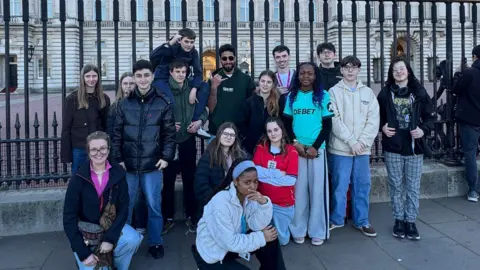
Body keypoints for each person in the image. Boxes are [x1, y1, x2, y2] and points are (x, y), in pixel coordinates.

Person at [111, 59, 176, 259]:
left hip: (152, 164)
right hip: (129, 164)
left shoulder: (163, 102)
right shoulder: (124, 103)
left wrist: (166, 157)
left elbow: (169, 133)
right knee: (126, 206)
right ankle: (125, 241)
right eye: (138, 76)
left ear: (152, 77)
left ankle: (155, 242)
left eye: (146, 75)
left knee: (154, 205)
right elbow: (116, 135)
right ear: (134, 77)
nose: (142, 79)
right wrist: (118, 157)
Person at [63, 131, 143, 270]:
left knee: (133, 239)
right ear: (88, 152)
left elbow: (123, 209)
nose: (98, 153)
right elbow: (69, 217)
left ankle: (117, 266)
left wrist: (110, 239)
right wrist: (83, 253)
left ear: (108, 149)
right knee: (93, 265)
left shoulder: (118, 174)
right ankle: (88, 260)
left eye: (103, 148)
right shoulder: (78, 178)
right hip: (87, 233)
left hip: (109, 225)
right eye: (94, 149)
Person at [192, 158, 286, 270]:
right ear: (236, 182)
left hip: (232, 244)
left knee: (271, 238)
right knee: (264, 237)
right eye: (247, 182)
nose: (252, 186)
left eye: (255, 181)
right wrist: (261, 237)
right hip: (214, 253)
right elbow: (230, 242)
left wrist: (263, 204)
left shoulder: (249, 196)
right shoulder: (220, 203)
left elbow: (256, 225)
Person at [378, 57, 434, 240]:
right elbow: (375, 115)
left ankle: (411, 220)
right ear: (391, 74)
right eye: (395, 70)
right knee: (395, 185)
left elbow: (430, 117)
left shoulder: (419, 92)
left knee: (412, 186)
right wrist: (382, 127)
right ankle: (398, 220)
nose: (399, 72)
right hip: (393, 145)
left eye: (402, 69)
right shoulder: (385, 93)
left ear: (408, 71)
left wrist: (423, 130)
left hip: (413, 146)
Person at [328, 56, 380, 237]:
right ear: (341, 70)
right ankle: (337, 218)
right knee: (339, 186)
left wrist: (362, 143)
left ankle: (362, 221)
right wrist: (351, 142)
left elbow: (373, 121)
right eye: (346, 67)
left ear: (359, 70)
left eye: (354, 67)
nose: (350, 71)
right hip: (341, 149)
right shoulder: (333, 92)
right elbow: (334, 120)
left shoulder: (367, 93)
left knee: (362, 185)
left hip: (362, 150)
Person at [283, 62, 333, 246]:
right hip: (297, 150)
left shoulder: (323, 96)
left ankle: (317, 230)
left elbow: (327, 125)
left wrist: (315, 147)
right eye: (302, 73)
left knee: (318, 191)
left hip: (316, 151)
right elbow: (287, 124)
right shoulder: (291, 97)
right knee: (299, 191)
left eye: (309, 73)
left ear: (315, 76)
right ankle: (298, 228)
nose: (305, 76)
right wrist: (296, 144)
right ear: (297, 76)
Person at [161, 60, 209, 235]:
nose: (181, 74)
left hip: (188, 139)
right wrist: (167, 125)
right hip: (170, 142)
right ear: (171, 72)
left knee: (190, 180)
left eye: (183, 71)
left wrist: (199, 122)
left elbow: (202, 109)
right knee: (168, 181)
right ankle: (167, 217)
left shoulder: (192, 88)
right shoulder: (164, 90)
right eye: (177, 71)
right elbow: (157, 111)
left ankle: (192, 215)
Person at [150, 28, 211, 138]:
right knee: (171, 101)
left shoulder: (193, 52)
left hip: (181, 78)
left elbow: (198, 73)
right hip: (162, 78)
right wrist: (170, 42)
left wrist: (194, 89)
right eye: (186, 41)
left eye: (191, 42)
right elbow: (153, 56)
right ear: (180, 40)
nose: (189, 45)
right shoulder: (172, 48)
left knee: (205, 86)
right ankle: (169, 127)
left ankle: (195, 122)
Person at [253, 117, 298, 245]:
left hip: (282, 204)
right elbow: (256, 172)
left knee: (281, 241)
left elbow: (290, 181)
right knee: (264, 239)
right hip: (263, 202)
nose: (273, 134)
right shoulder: (261, 148)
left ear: (282, 130)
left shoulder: (291, 151)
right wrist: (279, 174)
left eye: (276, 130)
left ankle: (285, 228)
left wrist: (266, 175)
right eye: (269, 131)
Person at [61, 64, 111, 176]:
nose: (91, 79)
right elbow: (66, 127)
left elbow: (107, 125)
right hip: (79, 147)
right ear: (83, 78)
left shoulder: (104, 98)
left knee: (99, 177)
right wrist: (66, 154)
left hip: (99, 148)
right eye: (88, 76)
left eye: (94, 76)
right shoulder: (72, 99)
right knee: (79, 179)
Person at [194, 122, 249, 219]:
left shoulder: (241, 156)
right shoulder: (208, 157)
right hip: (215, 204)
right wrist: (215, 200)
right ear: (219, 135)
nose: (228, 137)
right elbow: (201, 185)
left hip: (236, 202)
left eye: (232, 135)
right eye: (225, 134)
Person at [207, 44, 256, 136]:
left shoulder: (246, 79)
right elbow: (210, 107)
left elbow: (252, 106)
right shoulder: (214, 79)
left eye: (230, 58)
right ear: (220, 60)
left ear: (235, 58)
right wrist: (214, 87)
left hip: (239, 132)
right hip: (216, 131)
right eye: (224, 59)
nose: (228, 61)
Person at [237, 70, 287, 155]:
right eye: (263, 81)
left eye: (269, 82)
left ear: (273, 84)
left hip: (273, 147)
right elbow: (241, 124)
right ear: (259, 82)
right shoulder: (249, 102)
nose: (265, 84)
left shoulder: (279, 100)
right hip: (251, 148)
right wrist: (247, 138)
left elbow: (284, 122)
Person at [454, 45, 480, 202]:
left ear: (475, 57)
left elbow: (456, 89)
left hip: (471, 120)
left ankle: (473, 191)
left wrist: (458, 75)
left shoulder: (470, 73)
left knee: (470, 154)